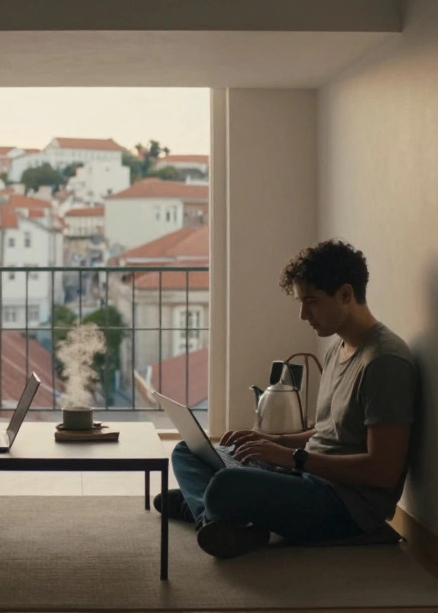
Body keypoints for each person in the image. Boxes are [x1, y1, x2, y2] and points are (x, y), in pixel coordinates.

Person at [159, 239, 419, 558]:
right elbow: (329, 432)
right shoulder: (338, 348)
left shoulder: (385, 362)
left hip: (344, 507)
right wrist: (274, 441)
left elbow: (383, 471)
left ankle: (206, 509)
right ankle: (212, 515)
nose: (302, 315)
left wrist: (291, 458)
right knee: (187, 450)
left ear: (346, 295)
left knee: (227, 485)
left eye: (311, 302)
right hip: (305, 476)